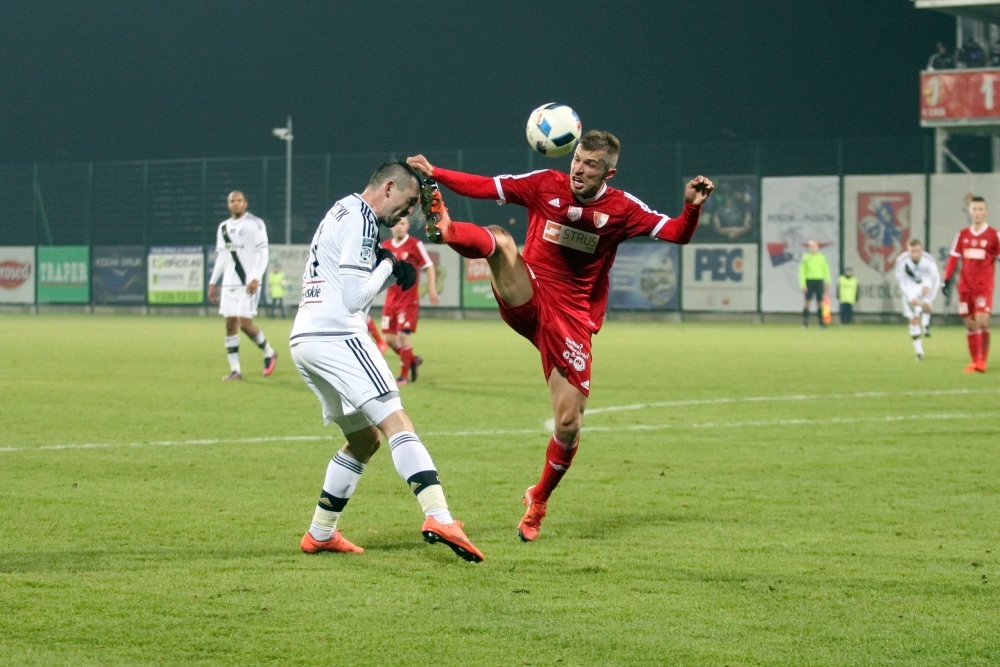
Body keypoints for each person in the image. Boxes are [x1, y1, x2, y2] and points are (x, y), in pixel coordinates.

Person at [406, 131, 714, 542]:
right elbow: (488, 185)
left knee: (568, 424)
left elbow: (677, 233)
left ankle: (539, 499)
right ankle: (445, 227)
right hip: (529, 292)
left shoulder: (622, 209)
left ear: (609, 172)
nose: (579, 169)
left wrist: (690, 208)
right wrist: (437, 174)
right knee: (499, 240)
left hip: (571, 318)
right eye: (578, 160)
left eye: (590, 164)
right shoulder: (545, 184)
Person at [290, 161, 483, 562]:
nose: (409, 213)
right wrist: (390, 266)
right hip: (337, 334)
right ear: (389, 187)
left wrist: (381, 259)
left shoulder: (341, 209)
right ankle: (439, 515)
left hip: (305, 338)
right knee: (396, 421)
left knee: (364, 440)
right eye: (410, 202)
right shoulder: (362, 219)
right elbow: (354, 299)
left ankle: (320, 533)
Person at [207, 191, 277, 380]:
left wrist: (256, 277)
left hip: (250, 284)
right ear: (228, 205)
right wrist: (213, 281)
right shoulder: (223, 228)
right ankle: (235, 370)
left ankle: (269, 352)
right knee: (230, 324)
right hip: (229, 284)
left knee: (245, 324)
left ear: (245, 204)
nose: (236, 204)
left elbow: (264, 253)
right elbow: (222, 257)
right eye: (232, 201)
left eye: (239, 201)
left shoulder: (255, 223)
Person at [380, 214, 440, 384]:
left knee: (403, 336)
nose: (399, 226)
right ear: (392, 226)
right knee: (390, 340)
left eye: (403, 223)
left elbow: (429, 266)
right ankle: (412, 360)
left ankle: (403, 376)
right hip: (391, 300)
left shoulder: (415, 244)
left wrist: (431, 288)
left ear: (407, 226)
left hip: (408, 300)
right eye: (396, 223)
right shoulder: (384, 246)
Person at [942, 196, 1000, 373]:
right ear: (970, 212)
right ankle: (974, 360)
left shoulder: (994, 235)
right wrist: (946, 279)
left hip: (984, 286)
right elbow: (953, 258)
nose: (978, 212)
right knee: (970, 324)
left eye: (981, 209)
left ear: (986, 212)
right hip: (965, 287)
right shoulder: (962, 235)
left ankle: (982, 361)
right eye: (975, 209)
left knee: (982, 321)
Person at [894, 239, 940, 360]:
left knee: (926, 289)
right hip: (910, 289)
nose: (915, 254)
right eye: (912, 251)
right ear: (908, 250)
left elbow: (936, 279)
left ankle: (926, 323)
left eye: (917, 251)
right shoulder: (901, 261)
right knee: (913, 320)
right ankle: (919, 352)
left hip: (924, 284)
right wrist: (911, 297)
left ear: (922, 250)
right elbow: (901, 282)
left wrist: (928, 299)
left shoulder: (928, 260)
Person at [799, 240, 831, 329]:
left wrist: (828, 282)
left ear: (818, 248)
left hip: (819, 280)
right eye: (811, 247)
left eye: (815, 247)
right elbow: (802, 272)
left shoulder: (822, 257)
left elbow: (826, 270)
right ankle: (805, 323)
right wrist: (803, 284)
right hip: (809, 281)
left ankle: (821, 323)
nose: (813, 248)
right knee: (807, 301)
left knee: (820, 302)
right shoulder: (805, 257)